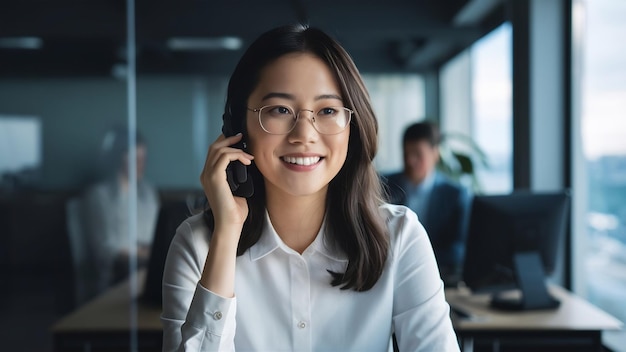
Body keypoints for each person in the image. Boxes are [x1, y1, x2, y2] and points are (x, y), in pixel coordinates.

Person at [162, 24, 460, 351]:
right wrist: (227, 234)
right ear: (237, 126)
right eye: (279, 110)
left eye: (328, 110)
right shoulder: (197, 244)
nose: (304, 134)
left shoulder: (400, 238)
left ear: (352, 126)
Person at [383, 121, 472, 286]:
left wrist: (418, 262)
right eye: (406, 154)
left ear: (435, 153)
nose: (410, 161)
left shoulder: (455, 195)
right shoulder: (384, 185)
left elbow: (458, 250)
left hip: (437, 277)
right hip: (388, 275)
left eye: (417, 154)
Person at [81, 126, 160, 294]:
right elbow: (107, 250)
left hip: (149, 270)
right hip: (117, 277)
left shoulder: (148, 192)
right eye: (135, 158)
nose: (141, 164)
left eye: (143, 158)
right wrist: (145, 255)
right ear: (119, 158)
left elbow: (155, 235)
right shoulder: (99, 196)